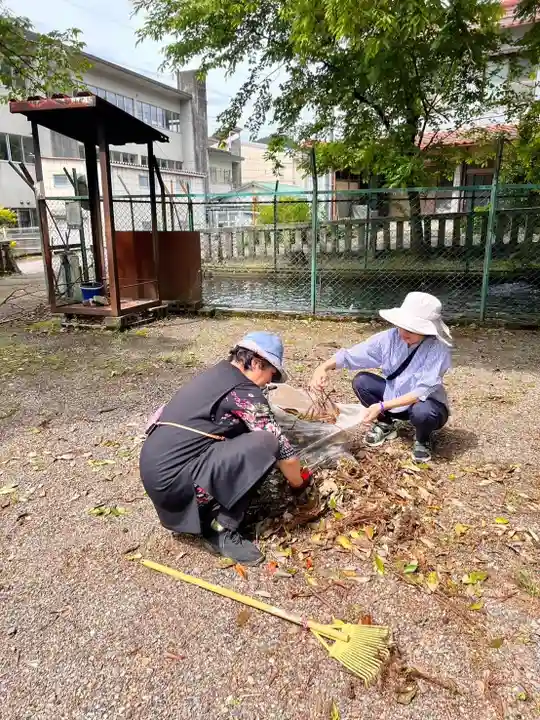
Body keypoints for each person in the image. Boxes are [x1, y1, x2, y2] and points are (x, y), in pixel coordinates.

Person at [140, 331, 309, 566]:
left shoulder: (217, 375)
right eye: (271, 375)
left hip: (157, 472)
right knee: (266, 444)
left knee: (247, 434)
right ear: (257, 363)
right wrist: (299, 484)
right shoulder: (244, 391)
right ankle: (220, 528)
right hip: (174, 485)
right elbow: (283, 450)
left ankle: (212, 507)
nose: (270, 382)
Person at [311, 292, 452, 462]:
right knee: (361, 381)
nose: (404, 333)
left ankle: (422, 439)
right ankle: (386, 424)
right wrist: (323, 367)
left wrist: (382, 405)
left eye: (412, 330)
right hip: (393, 398)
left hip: (427, 406)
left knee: (422, 412)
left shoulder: (437, 349)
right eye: (402, 326)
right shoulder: (390, 338)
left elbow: (420, 392)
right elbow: (352, 355)